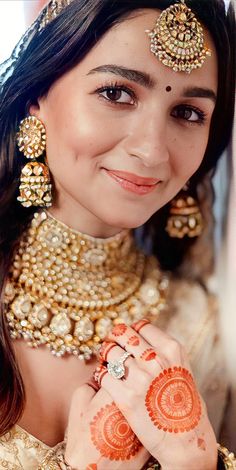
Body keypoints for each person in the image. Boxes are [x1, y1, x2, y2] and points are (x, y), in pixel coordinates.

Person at [0, 0, 235, 468]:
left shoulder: (199, 330)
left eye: (187, 112)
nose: (151, 150)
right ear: (37, 97)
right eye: (117, 93)